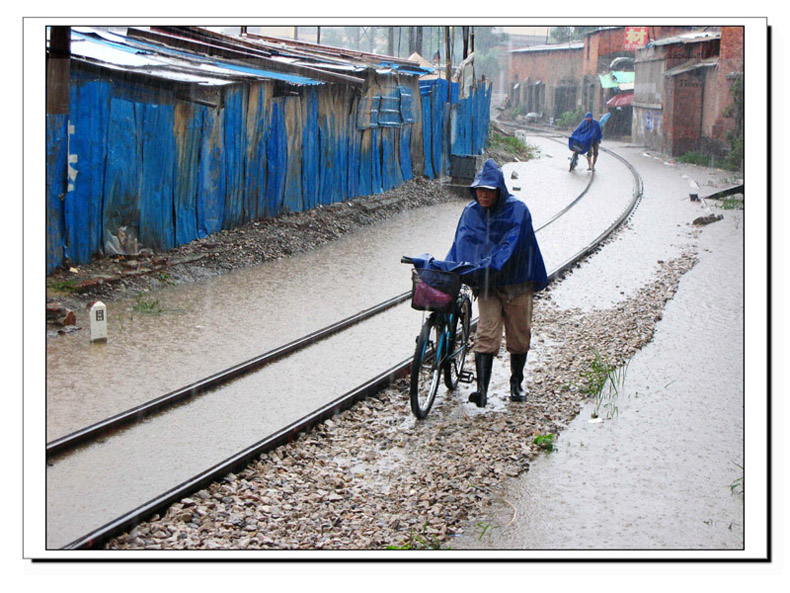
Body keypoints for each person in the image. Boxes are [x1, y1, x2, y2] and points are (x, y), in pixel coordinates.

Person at [446, 159, 548, 407]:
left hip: (517, 283)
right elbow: (462, 242)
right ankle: (482, 390)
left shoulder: (518, 211)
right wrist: (453, 267)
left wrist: (489, 264)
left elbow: (510, 246)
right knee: (486, 334)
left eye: (488, 191)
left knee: (518, 335)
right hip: (488, 284)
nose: (483, 195)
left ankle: (516, 382)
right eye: (479, 190)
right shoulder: (471, 211)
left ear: (499, 191)